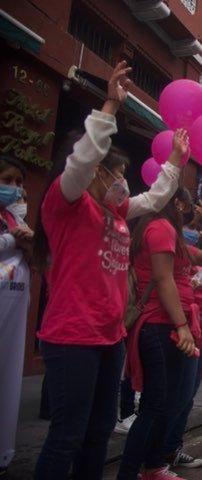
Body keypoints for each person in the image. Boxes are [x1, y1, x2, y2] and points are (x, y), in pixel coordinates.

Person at [32, 61, 184, 480]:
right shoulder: (66, 202)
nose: (123, 183)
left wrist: (173, 160)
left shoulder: (117, 212)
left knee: (99, 432)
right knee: (67, 436)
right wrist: (109, 107)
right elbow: (81, 160)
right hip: (72, 337)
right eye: (117, 175)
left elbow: (154, 199)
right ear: (96, 172)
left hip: (109, 336)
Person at [117, 190, 202, 479]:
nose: (188, 213)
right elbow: (163, 280)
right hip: (160, 325)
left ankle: (152, 466)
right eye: (186, 207)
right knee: (154, 406)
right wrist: (181, 325)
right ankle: (129, 472)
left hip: (170, 325)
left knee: (167, 404)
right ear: (176, 203)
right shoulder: (160, 228)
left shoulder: (167, 232)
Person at [0, 156, 32, 477]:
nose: (15, 189)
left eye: (20, 183)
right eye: (8, 180)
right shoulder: (11, 228)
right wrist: (14, 239)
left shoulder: (12, 218)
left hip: (11, 310)